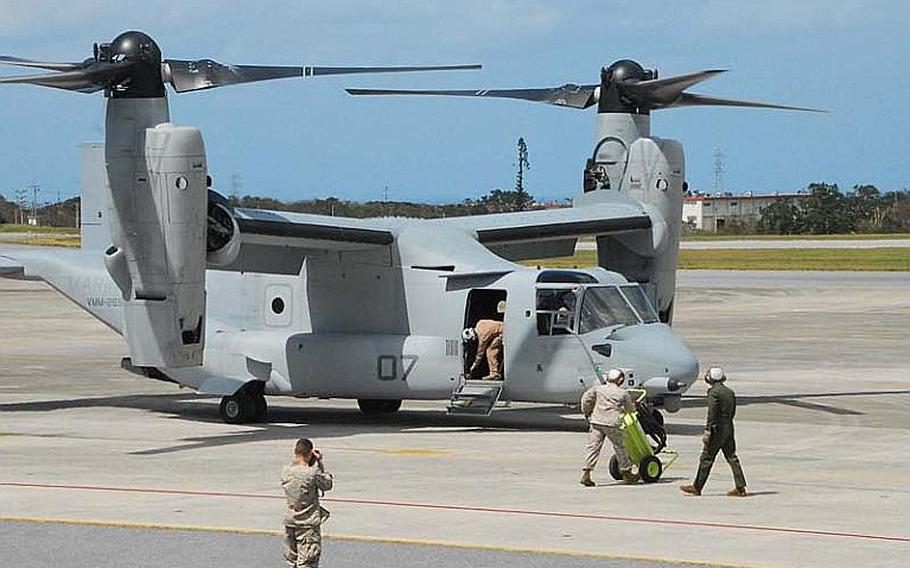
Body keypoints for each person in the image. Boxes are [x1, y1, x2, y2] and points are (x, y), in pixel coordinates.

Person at [680, 367, 748, 497]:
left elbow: (712, 412)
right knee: (732, 457)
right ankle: (740, 487)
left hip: (717, 429)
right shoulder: (729, 392)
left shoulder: (714, 392)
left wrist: (708, 430)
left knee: (707, 458)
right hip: (729, 427)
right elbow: (733, 411)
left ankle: (697, 487)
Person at [580, 368, 638, 486]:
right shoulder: (622, 393)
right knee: (620, 447)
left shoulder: (598, 389)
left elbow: (586, 399)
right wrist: (633, 406)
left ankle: (586, 473)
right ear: (620, 380)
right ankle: (627, 473)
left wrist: (587, 412)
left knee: (593, 448)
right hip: (612, 423)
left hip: (596, 421)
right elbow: (630, 409)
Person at [281, 438, 334, 568]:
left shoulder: (286, 471)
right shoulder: (312, 473)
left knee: (291, 560)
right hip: (307, 523)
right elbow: (327, 484)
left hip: (291, 521)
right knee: (308, 561)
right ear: (310, 453)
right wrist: (319, 462)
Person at [470, 300, 506, 381]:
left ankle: (494, 374)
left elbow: (480, 353)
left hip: (503, 332)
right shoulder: (479, 323)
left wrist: (474, 365)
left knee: (490, 351)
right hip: (501, 329)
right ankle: (494, 373)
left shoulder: (482, 337)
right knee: (492, 347)